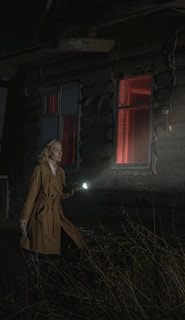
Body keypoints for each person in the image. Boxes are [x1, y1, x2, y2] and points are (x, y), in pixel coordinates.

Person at [20, 139, 85, 264]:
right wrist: (25, 217)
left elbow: (60, 195)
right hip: (42, 212)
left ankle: (55, 272)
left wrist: (75, 190)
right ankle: (35, 274)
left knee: (73, 236)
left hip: (56, 212)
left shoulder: (61, 172)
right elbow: (32, 194)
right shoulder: (40, 169)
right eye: (56, 150)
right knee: (39, 245)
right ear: (48, 152)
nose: (60, 153)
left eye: (61, 150)